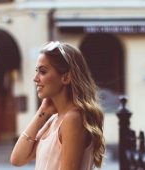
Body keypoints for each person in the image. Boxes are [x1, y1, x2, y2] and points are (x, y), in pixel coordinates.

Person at [10, 41, 105, 170]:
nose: (35, 78)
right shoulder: (55, 119)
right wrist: (42, 113)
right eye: (37, 71)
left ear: (66, 77)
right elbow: (17, 159)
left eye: (43, 72)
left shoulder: (73, 119)